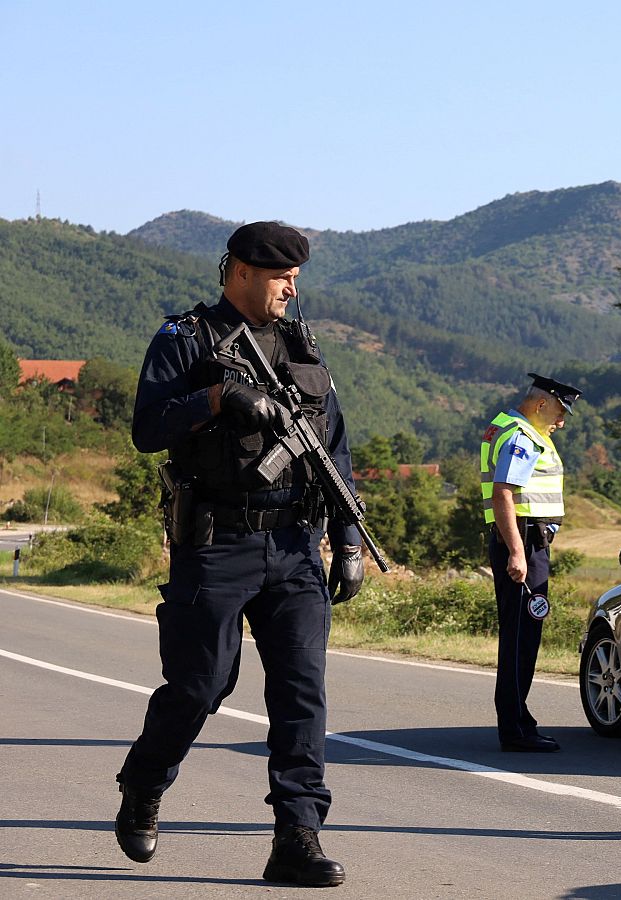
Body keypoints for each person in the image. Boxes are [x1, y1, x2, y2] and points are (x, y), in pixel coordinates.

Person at [115, 221, 363, 888]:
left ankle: (297, 838)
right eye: (281, 276)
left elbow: (333, 449)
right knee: (200, 684)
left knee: (301, 694)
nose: (290, 288)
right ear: (241, 272)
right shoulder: (185, 340)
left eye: (295, 278)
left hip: (293, 546)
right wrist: (218, 397)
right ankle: (143, 783)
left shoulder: (303, 348)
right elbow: (146, 428)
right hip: (217, 543)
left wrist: (346, 539)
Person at [481, 373, 581, 752]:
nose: (562, 421)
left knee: (521, 634)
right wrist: (518, 553)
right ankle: (516, 728)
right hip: (523, 541)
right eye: (560, 412)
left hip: (525, 541)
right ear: (541, 404)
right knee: (522, 637)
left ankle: (518, 720)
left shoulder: (511, 428)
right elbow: (504, 493)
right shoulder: (522, 436)